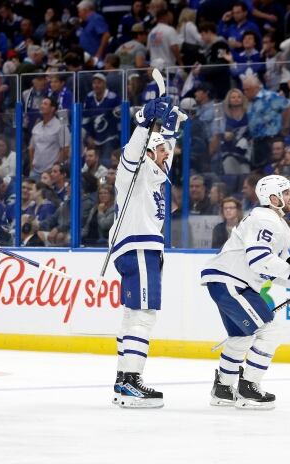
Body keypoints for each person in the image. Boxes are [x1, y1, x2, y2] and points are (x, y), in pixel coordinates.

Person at [201, 175, 290, 410]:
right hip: (233, 281)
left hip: (228, 281)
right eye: (287, 192)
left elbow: (274, 265)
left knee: (241, 337)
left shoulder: (271, 221)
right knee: (270, 333)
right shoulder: (266, 219)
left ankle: (224, 388)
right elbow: (260, 259)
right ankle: (248, 387)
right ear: (273, 197)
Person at [109, 89, 181, 408]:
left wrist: (169, 124)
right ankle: (130, 383)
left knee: (133, 316)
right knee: (143, 315)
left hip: (140, 249)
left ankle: (124, 379)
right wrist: (144, 123)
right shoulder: (134, 176)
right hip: (138, 248)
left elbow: (164, 148)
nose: (168, 154)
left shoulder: (154, 178)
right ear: (150, 153)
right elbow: (133, 153)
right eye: (163, 150)